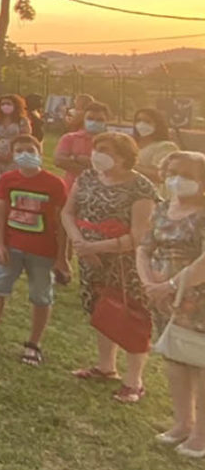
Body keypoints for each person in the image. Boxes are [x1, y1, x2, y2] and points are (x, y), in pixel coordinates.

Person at [61, 132, 157, 403]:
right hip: (90, 259)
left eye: (104, 150)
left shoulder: (141, 187)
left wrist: (96, 248)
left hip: (125, 264)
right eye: (95, 149)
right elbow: (68, 212)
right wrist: (79, 243)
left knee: (131, 315)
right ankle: (106, 367)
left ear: (124, 156)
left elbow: (139, 235)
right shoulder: (87, 177)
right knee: (101, 310)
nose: (96, 154)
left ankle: (134, 381)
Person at [0, 135, 69, 365]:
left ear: (39, 151)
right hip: (12, 247)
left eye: (30, 149)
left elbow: (62, 222)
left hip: (43, 250)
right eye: (19, 150)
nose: (25, 154)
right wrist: (0, 244)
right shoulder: (8, 179)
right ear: (12, 154)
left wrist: (62, 258)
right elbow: (0, 212)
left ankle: (33, 344)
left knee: (41, 296)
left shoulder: (54, 184)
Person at [138, 151, 205, 455]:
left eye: (188, 175)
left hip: (195, 300)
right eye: (173, 172)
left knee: (200, 364)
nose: (178, 179)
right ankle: (183, 423)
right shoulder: (163, 209)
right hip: (163, 300)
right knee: (175, 359)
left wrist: (170, 285)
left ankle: (201, 435)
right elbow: (144, 247)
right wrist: (149, 284)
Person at [54, 101, 110, 192]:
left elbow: (118, 166)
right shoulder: (69, 138)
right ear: (84, 119)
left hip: (104, 193)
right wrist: (80, 160)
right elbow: (59, 161)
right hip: (73, 190)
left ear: (107, 121)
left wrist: (75, 160)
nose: (94, 122)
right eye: (90, 118)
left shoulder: (115, 142)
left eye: (99, 120)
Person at [0, 94, 33, 207]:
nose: (5, 106)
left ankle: (14, 207)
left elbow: (25, 137)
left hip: (16, 154)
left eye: (8, 104)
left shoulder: (22, 121)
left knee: (14, 181)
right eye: (3, 104)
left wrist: (12, 153)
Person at [132, 107, 178, 183]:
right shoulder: (131, 143)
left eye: (147, 121)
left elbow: (159, 175)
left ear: (158, 124)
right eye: (138, 120)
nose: (141, 124)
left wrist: (131, 166)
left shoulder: (166, 147)